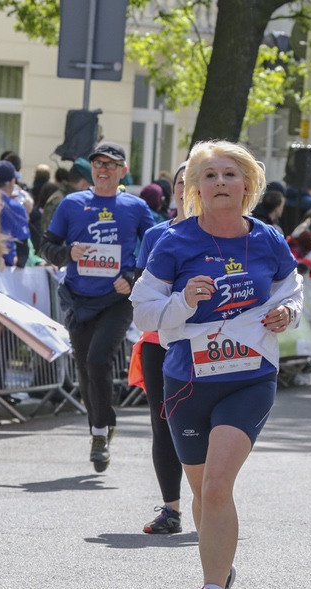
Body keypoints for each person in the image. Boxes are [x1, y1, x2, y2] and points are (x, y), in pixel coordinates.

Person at [131, 140, 302, 589]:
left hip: (250, 378)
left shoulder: (268, 238)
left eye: (230, 174)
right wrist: (183, 300)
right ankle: (220, 565)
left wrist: (287, 312)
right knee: (202, 492)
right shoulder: (173, 241)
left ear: (247, 184)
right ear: (195, 188)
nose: (221, 182)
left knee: (218, 484)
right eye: (210, 175)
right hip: (187, 381)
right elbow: (144, 312)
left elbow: (292, 290)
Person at [39, 141, 153, 473]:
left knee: (98, 360)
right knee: (85, 370)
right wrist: (66, 254)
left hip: (117, 300)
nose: (103, 169)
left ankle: (100, 434)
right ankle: (101, 425)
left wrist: (131, 278)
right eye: (98, 163)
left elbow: (156, 250)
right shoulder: (72, 204)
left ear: (123, 171)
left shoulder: (136, 207)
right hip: (79, 298)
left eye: (110, 164)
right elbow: (46, 245)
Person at [135, 161, 188, 534]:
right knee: (163, 424)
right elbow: (144, 289)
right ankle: (171, 509)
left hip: (206, 345)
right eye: (181, 181)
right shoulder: (156, 235)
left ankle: (211, 499)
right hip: (159, 343)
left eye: (194, 180)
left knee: (205, 426)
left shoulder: (226, 235)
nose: (187, 187)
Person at [0, 160, 30, 267]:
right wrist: (20, 265)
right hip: (6, 267)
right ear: (12, 182)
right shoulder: (17, 208)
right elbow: (23, 246)